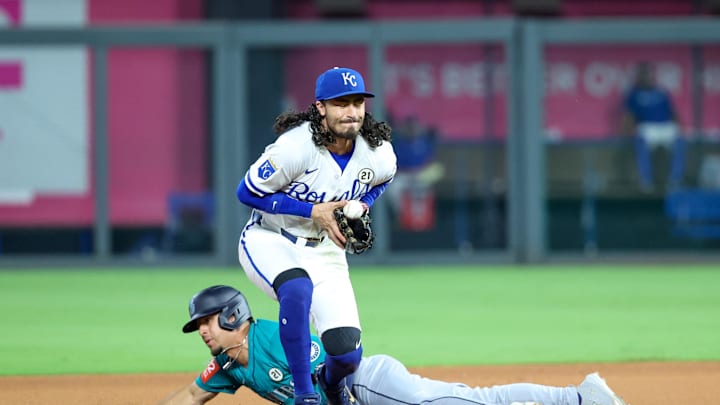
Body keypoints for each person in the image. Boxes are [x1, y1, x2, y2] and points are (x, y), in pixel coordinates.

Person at [159, 285, 629, 405]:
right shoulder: (229, 363)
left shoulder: (278, 337)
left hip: (368, 387)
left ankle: (583, 396)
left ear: (233, 316)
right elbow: (191, 395)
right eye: (197, 325)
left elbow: (332, 382)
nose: (202, 331)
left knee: (470, 401)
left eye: (206, 322)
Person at [234, 67, 396, 405]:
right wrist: (313, 211)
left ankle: (331, 384)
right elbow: (247, 191)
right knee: (297, 288)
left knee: (346, 354)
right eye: (341, 104)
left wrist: (362, 204)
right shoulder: (295, 147)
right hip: (270, 239)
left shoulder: (377, 152)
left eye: (357, 103)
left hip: (325, 250)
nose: (351, 112)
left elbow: (383, 179)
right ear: (320, 107)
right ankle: (304, 394)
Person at [621, 61, 686, 191]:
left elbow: (672, 112)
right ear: (639, 77)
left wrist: (680, 127)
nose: (647, 77)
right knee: (640, 142)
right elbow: (629, 115)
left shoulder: (661, 92)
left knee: (680, 141)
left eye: (649, 74)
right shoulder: (634, 94)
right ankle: (646, 181)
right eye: (644, 74)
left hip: (666, 127)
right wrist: (625, 131)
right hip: (647, 128)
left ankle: (675, 180)